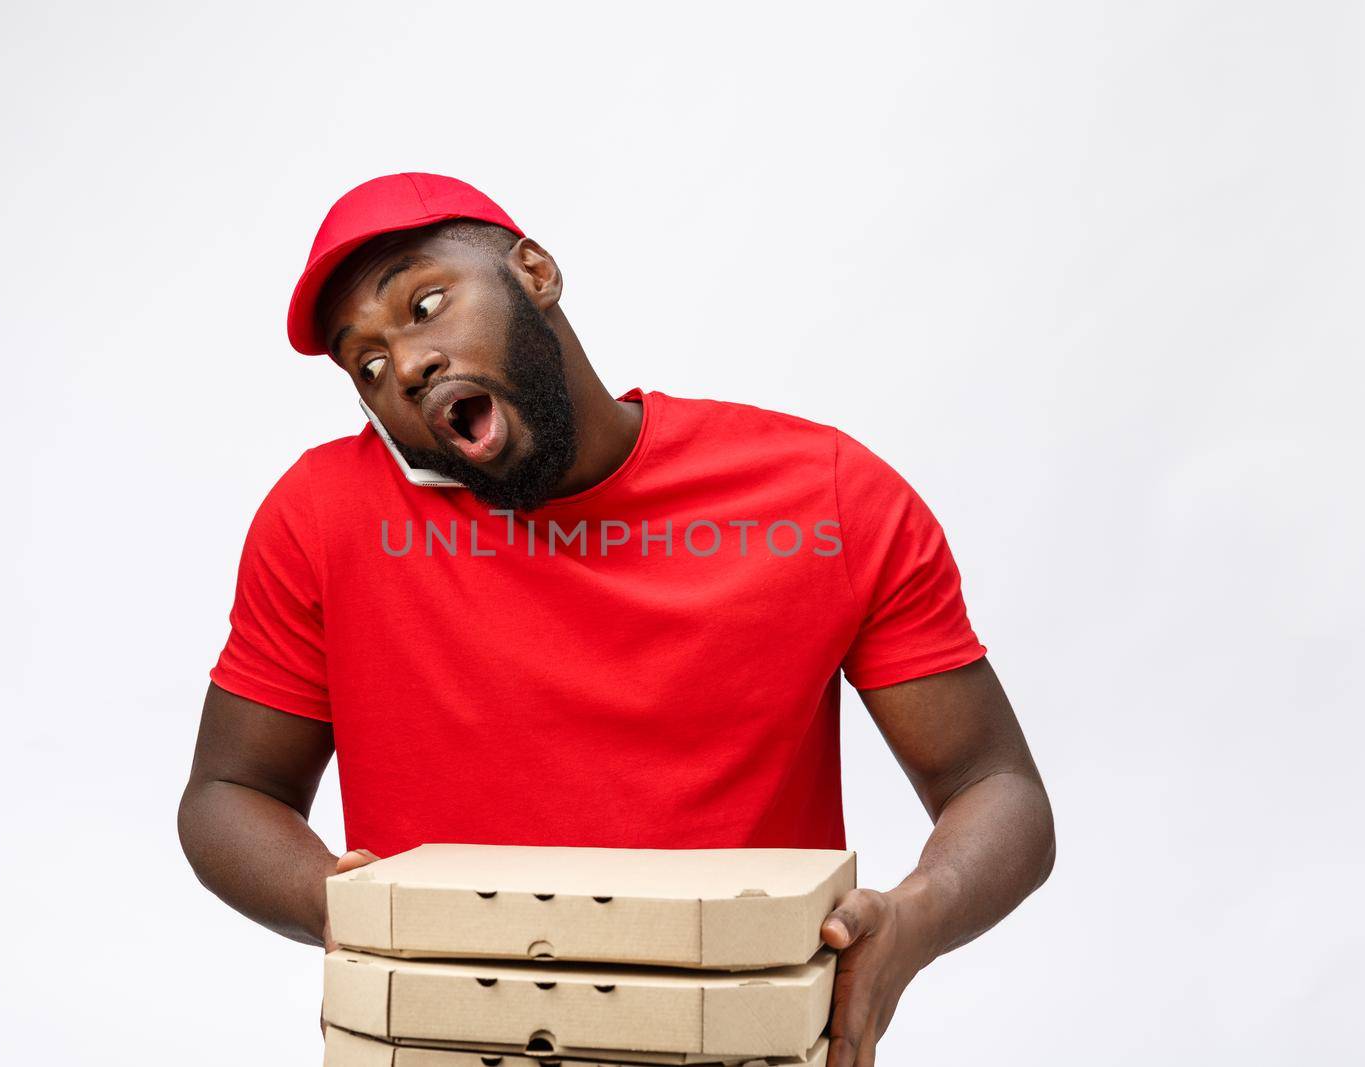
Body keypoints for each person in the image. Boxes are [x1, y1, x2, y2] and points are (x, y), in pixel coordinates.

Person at [177, 172, 1055, 1067]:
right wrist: (344, 904)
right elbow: (228, 794)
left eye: (427, 302)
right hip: (444, 1041)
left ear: (535, 272)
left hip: (734, 1041)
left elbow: (992, 783)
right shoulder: (322, 517)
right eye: (364, 362)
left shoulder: (822, 496)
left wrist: (911, 923)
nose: (404, 366)